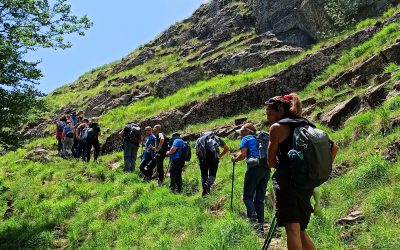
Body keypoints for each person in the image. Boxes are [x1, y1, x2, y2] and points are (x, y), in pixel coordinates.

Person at [265, 93, 338, 250]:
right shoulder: (307, 125)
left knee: (292, 230)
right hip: (306, 184)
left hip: (287, 183)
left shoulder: (276, 128)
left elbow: (270, 162)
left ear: (280, 111)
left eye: (270, 114)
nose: (268, 118)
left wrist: (285, 168)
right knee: (301, 230)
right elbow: (334, 148)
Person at [231, 123, 269, 232]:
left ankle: (253, 223)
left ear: (248, 131)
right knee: (259, 199)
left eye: (242, 132)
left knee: (247, 197)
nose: (241, 134)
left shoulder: (246, 139)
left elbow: (243, 155)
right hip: (266, 169)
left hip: (254, 169)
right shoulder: (261, 140)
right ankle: (260, 225)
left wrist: (235, 159)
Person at [196, 131, 229, 196]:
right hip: (213, 158)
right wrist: (219, 156)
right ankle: (207, 184)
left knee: (204, 176)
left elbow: (197, 152)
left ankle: (205, 194)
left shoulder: (200, 140)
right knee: (212, 175)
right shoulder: (216, 138)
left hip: (202, 159)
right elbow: (226, 149)